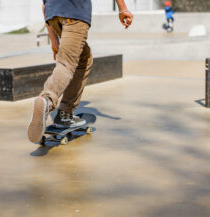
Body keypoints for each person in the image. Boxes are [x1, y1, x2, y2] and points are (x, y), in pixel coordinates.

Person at [27, 0, 134, 143]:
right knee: (66, 64)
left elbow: (44, 5)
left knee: (84, 58)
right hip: (74, 14)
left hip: (53, 15)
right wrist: (123, 9)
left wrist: (54, 41)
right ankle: (48, 100)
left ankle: (65, 111)